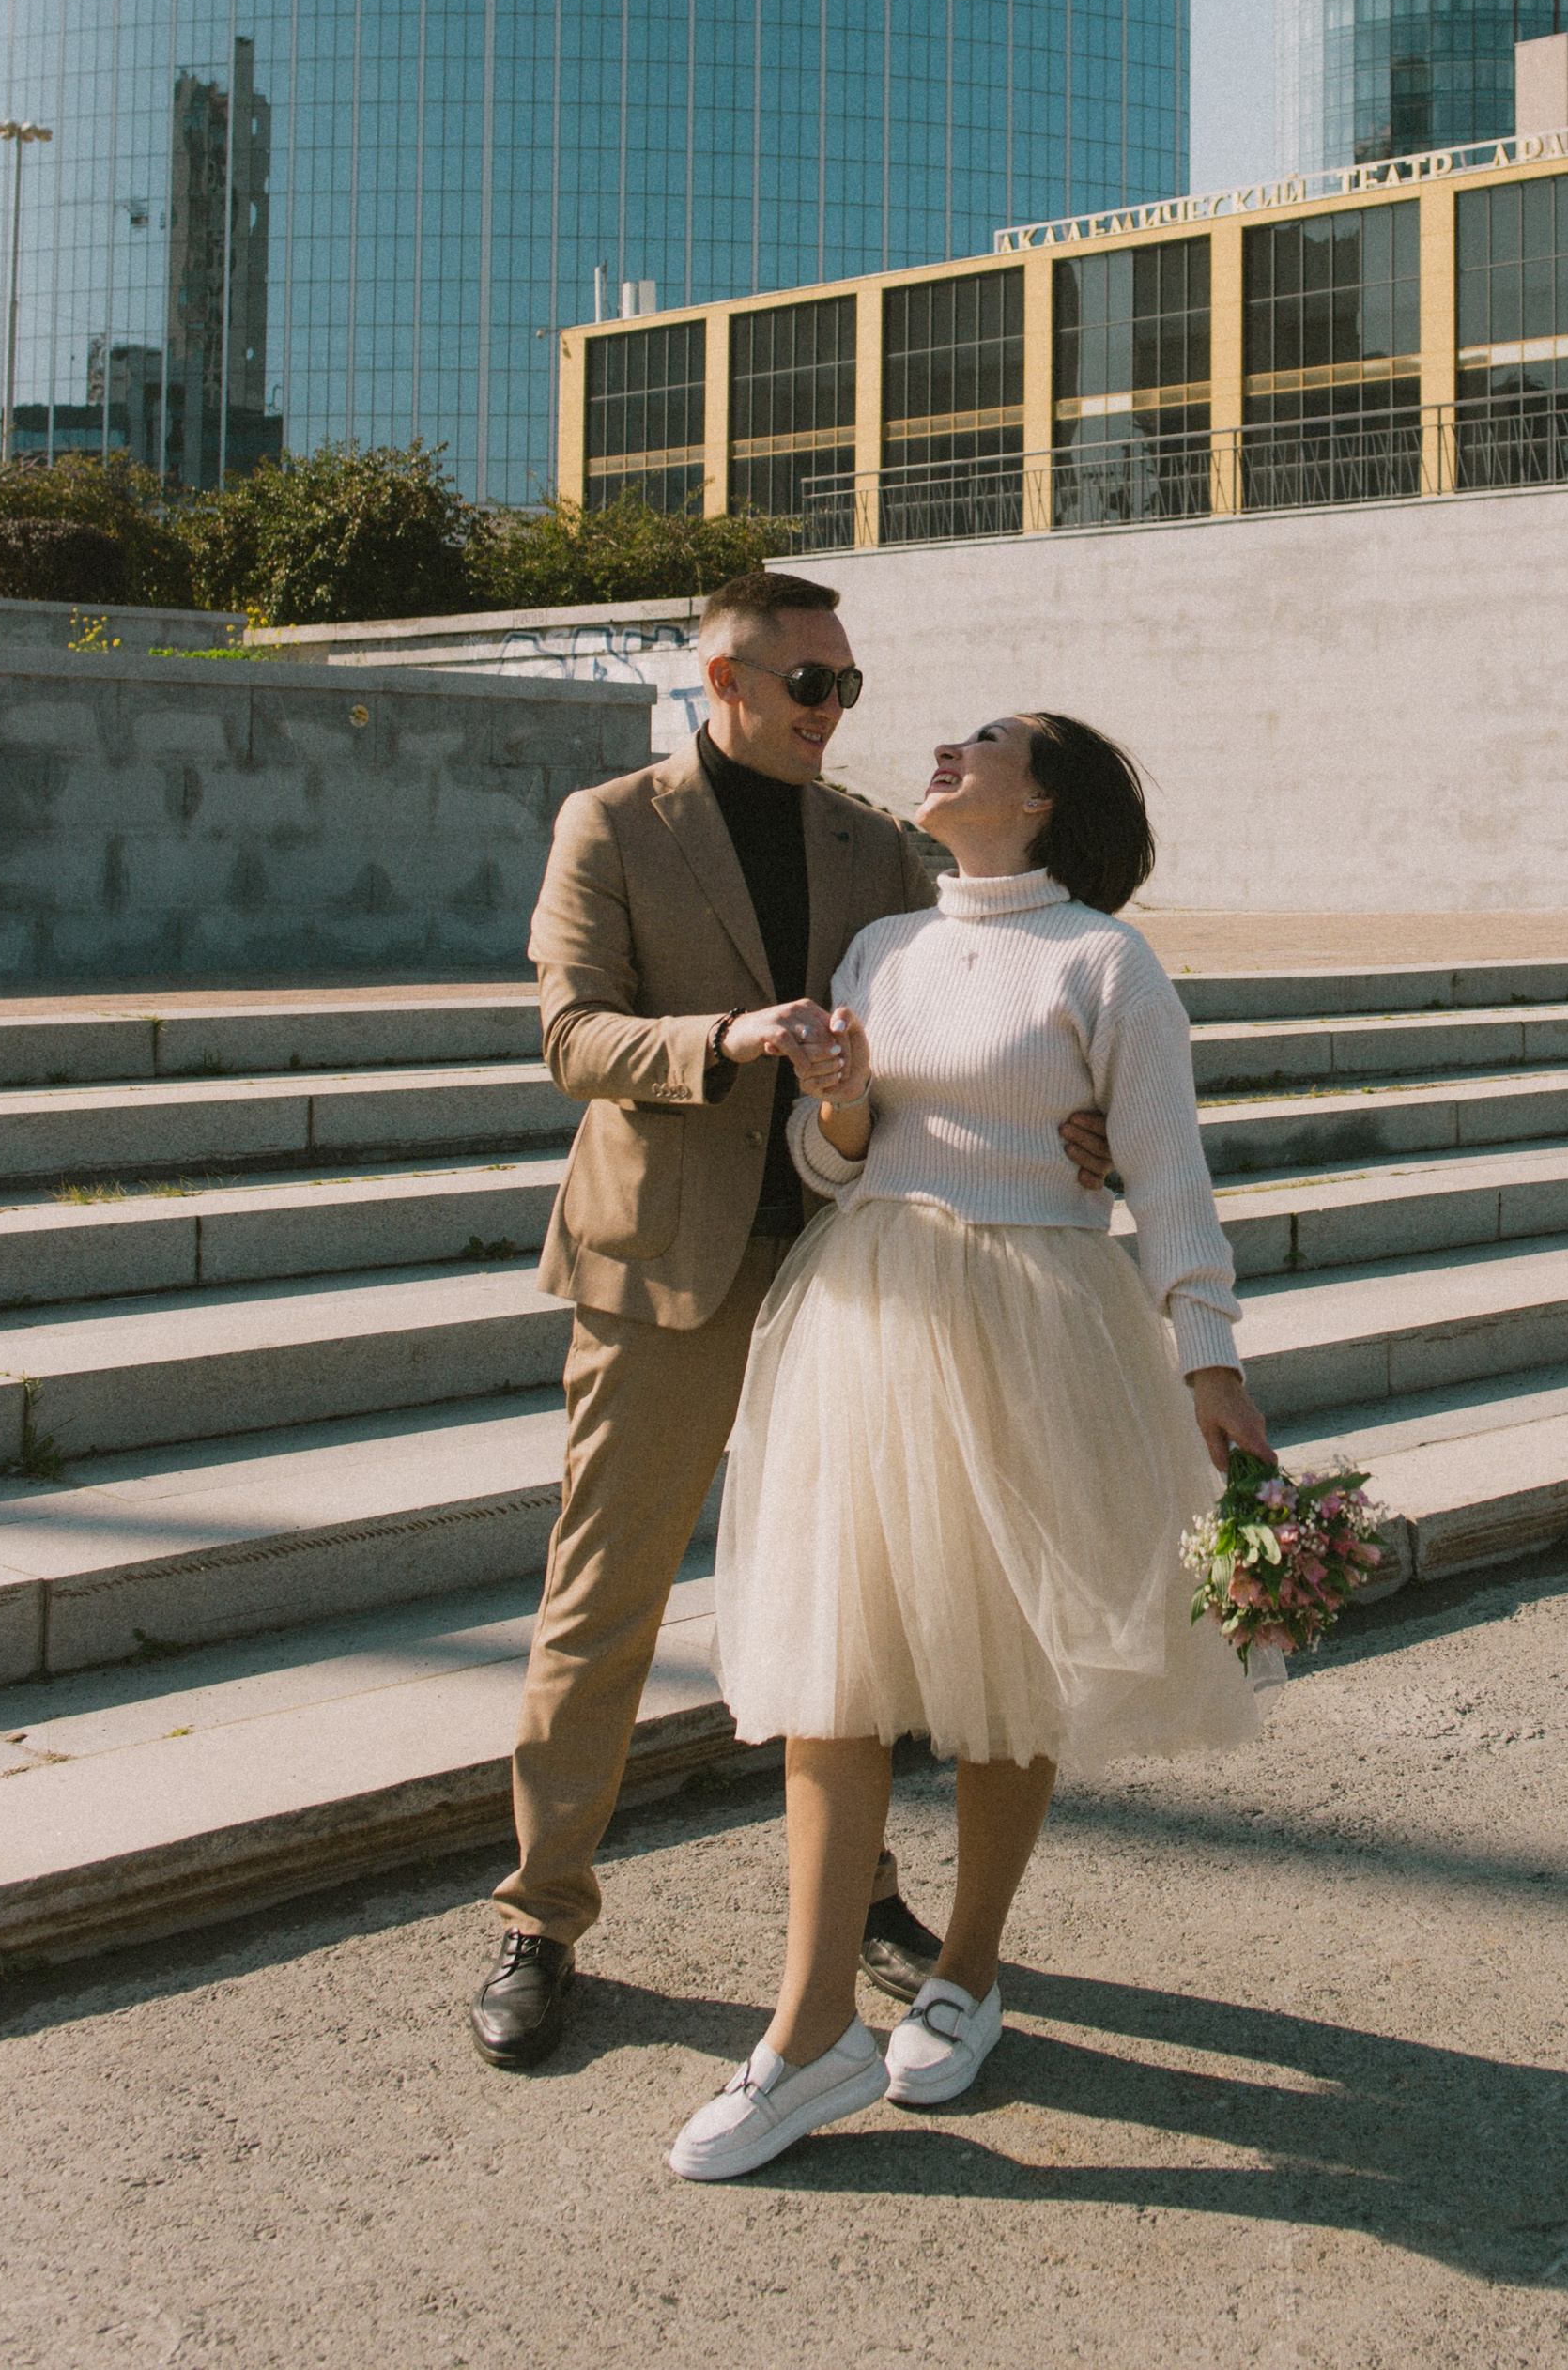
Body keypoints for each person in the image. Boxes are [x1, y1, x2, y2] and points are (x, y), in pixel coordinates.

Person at [468, 574, 1115, 2071]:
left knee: (857, 1605)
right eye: (808, 684)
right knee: (604, 1604)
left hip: (853, 1268)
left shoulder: (878, 846)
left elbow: (995, 980)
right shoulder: (612, 824)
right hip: (666, 1271)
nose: (835, 711)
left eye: (848, 685)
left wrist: (1083, 1121)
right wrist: (733, 1038)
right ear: (727, 680)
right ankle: (540, 1912)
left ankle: (864, 1891)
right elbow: (571, 1036)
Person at [668, 709, 1276, 2182]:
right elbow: (834, 1164)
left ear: (1043, 794)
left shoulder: (1105, 961)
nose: (942, 747)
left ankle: (970, 1969)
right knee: (837, 1665)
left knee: (1013, 1669)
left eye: (983, 741)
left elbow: (1168, 1173)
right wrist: (842, 1106)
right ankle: (811, 2033)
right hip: (870, 1313)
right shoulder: (880, 947)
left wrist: (1211, 1355)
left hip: (1036, 1312)